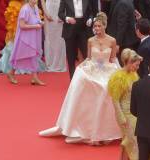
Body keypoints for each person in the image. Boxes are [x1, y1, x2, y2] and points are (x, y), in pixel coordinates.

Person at [38, 12, 121, 144]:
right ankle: (82, 126)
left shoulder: (112, 40)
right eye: (95, 26)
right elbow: (88, 58)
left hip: (107, 70)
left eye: (99, 26)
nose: (97, 29)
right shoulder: (90, 40)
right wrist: (81, 67)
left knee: (106, 88)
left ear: (105, 26)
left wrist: (117, 72)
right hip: (93, 69)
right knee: (83, 80)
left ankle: (106, 130)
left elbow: (112, 59)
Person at [108, 48, 150, 160]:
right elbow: (115, 100)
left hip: (135, 114)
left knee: (129, 143)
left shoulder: (133, 75)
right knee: (132, 143)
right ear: (128, 62)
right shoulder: (117, 77)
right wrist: (121, 117)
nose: (138, 67)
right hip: (124, 115)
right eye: (136, 64)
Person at [8, 0, 44, 85]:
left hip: (32, 37)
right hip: (24, 39)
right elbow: (22, 25)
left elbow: (35, 20)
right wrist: (36, 26)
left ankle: (34, 77)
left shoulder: (35, 7)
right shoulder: (25, 9)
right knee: (19, 56)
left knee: (33, 56)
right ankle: (11, 73)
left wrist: (40, 23)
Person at [59, 0, 97, 79]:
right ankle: (73, 79)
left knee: (87, 54)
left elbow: (92, 12)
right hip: (70, 28)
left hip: (83, 28)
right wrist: (67, 18)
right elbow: (60, 13)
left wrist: (90, 19)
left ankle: (89, 78)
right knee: (71, 56)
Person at [41, 0, 67, 72]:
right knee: (49, 37)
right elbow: (42, 1)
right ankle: (49, 64)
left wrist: (63, 13)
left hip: (60, 8)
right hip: (49, 9)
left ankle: (59, 65)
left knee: (60, 38)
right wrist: (46, 13)